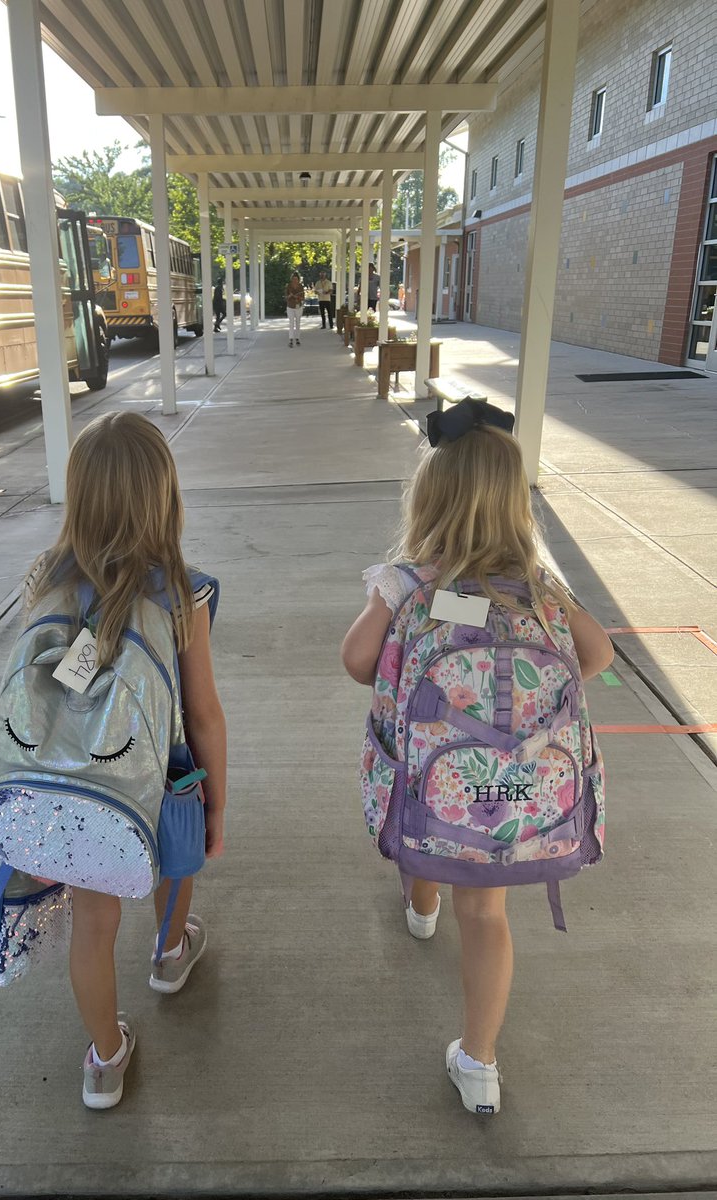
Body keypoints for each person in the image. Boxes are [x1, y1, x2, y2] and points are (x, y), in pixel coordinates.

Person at [341, 400, 612, 1115]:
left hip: (444, 797)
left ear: (429, 499)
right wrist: (530, 711)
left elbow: (356, 660)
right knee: (487, 916)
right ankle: (480, 1063)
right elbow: (602, 654)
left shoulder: (411, 584)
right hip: (518, 792)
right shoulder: (544, 589)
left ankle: (422, 900)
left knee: (434, 812)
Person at [24, 412, 227, 1110]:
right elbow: (202, 714)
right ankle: (170, 955)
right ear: (164, 499)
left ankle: (105, 1058)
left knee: (94, 923)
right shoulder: (180, 593)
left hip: (81, 790)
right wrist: (218, 805)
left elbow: (44, 692)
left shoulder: (47, 583)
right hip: (161, 782)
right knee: (174, 872)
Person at [285, 272, 304, 346]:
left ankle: (297, 338)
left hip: (298, 306)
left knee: (298, 322)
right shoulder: (288, 286)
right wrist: (290, 296)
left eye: (296, 279)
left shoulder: (300, 286)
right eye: (293, 279)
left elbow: (303, 297)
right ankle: (291, 339)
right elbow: (286, 297)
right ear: (291, 279)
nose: (295, 280)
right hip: (290, 306)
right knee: (291, 323)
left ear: (298, 280)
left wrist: (297, 297)